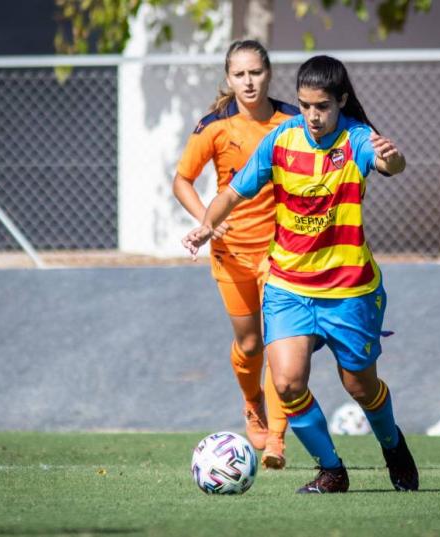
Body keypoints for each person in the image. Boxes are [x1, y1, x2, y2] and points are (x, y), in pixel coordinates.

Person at [182, 55, 419, 493]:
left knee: (360, 385)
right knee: (288, 383)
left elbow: (389, 166)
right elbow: (232, 192)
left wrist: (395, 159)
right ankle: (331, 470)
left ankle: (393, 446)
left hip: (350, 290)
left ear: (341, 102)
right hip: (289, 286)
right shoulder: (280, 140)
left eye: (323, 106)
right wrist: (205, 226)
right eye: (305, 105)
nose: (312, 115)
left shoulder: (358, 139)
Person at [173, 40, 298, 469]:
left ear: (269, 73)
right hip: (231, 253)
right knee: (250, 343)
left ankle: (278, 440)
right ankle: (252, 403)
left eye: (256, 73)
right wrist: (208, 222)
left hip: (282, 253)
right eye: (240, 74)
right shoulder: (215, 126)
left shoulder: (292, 121)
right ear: (229, 78)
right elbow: (182, 180)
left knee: (282, 343)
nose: (249, 82)